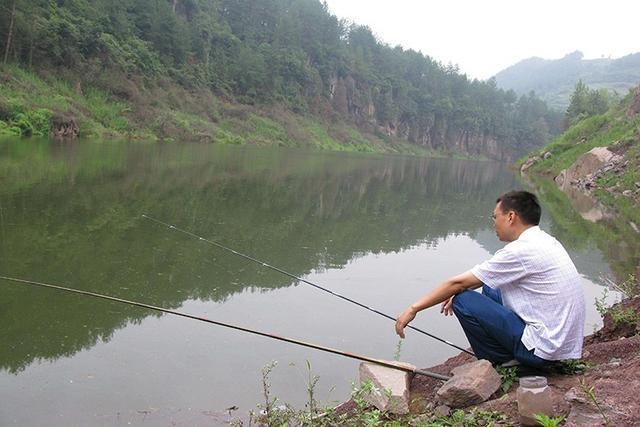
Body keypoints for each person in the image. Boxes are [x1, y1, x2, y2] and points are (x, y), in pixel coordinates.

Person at [395, 190, 585, 368]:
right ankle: (514, 352)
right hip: (561, 346)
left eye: (495, 217)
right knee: (489, 287)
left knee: (463, 300)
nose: (493, 223)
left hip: (543, 351)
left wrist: (414, 309)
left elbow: (456, 283)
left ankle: (502, 360)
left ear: (510, 217)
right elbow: (479, 280)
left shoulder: (521, 251)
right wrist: (460, 288)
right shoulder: (545, 241)